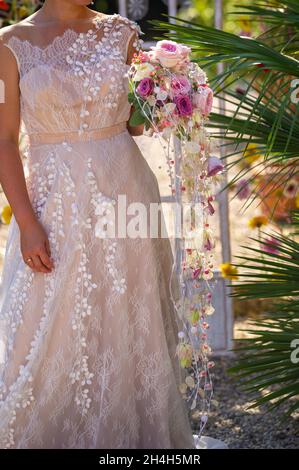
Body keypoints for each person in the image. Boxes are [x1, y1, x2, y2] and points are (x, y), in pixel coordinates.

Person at [0, 0, 198, 449]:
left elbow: (133, 124)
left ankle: (127, 437)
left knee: (127, 308)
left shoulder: (122, 33)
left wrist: (168, 92)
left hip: (126, 191)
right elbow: (5, 140)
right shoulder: (10, 45)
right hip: (55, 204)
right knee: (51, 318)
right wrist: (28, 223)